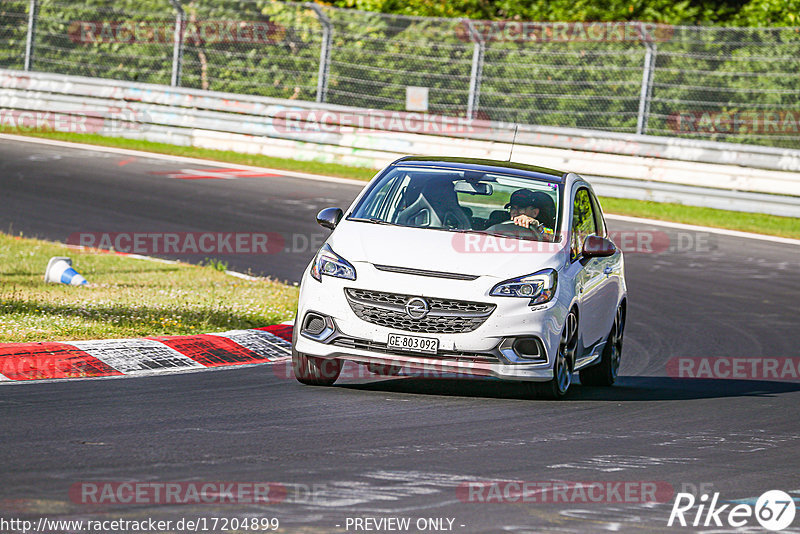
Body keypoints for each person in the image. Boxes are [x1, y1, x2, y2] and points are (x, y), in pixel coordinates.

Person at [489, 189, 556, 240]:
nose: (515, 212)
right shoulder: (500, 221)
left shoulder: (544, 228)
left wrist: (537, 227)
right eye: (513, 208)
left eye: (521, 209)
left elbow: (552, 236)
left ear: (534, 212)